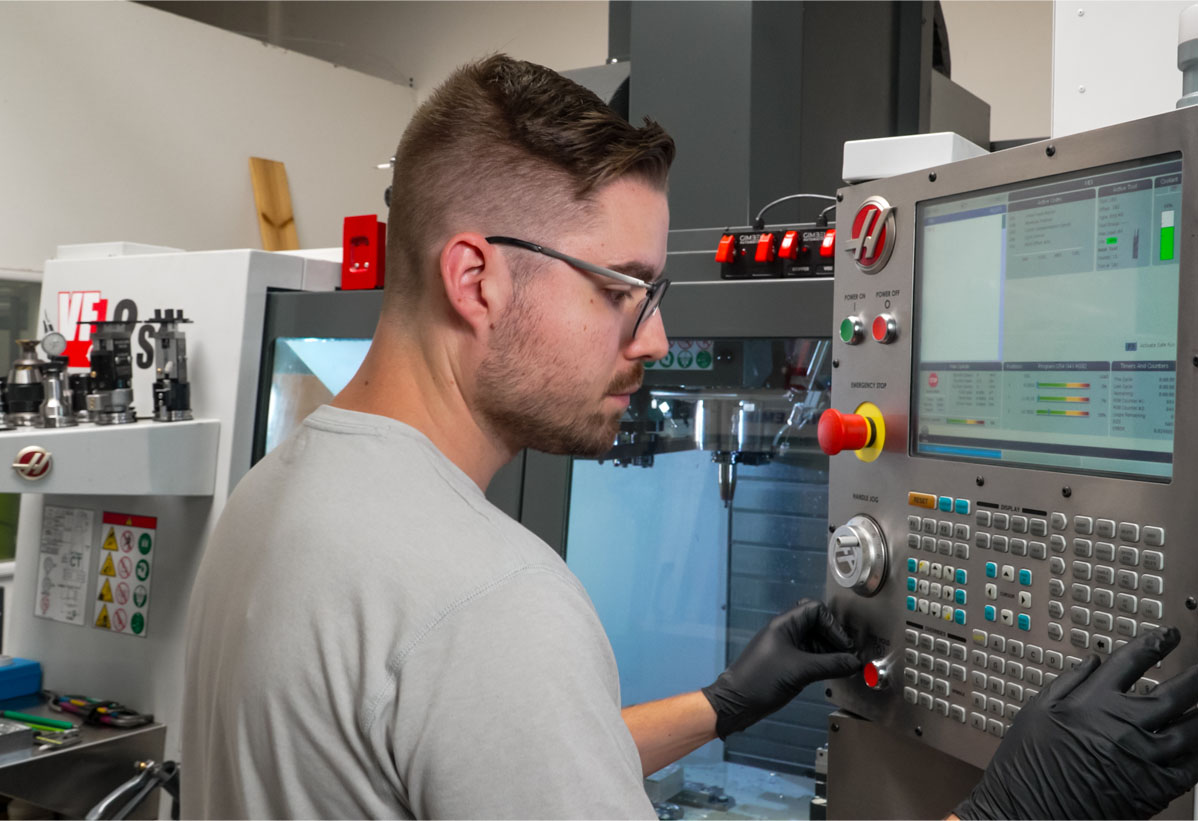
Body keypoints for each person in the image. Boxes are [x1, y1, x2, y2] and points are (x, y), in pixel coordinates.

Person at [183, 54, 1198, 819]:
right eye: (624, 289)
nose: (658, 336)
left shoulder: (274, 496)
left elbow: (487, 755)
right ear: (477, 277)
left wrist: (721, 702)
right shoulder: (490, 600)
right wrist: (1013, 810)